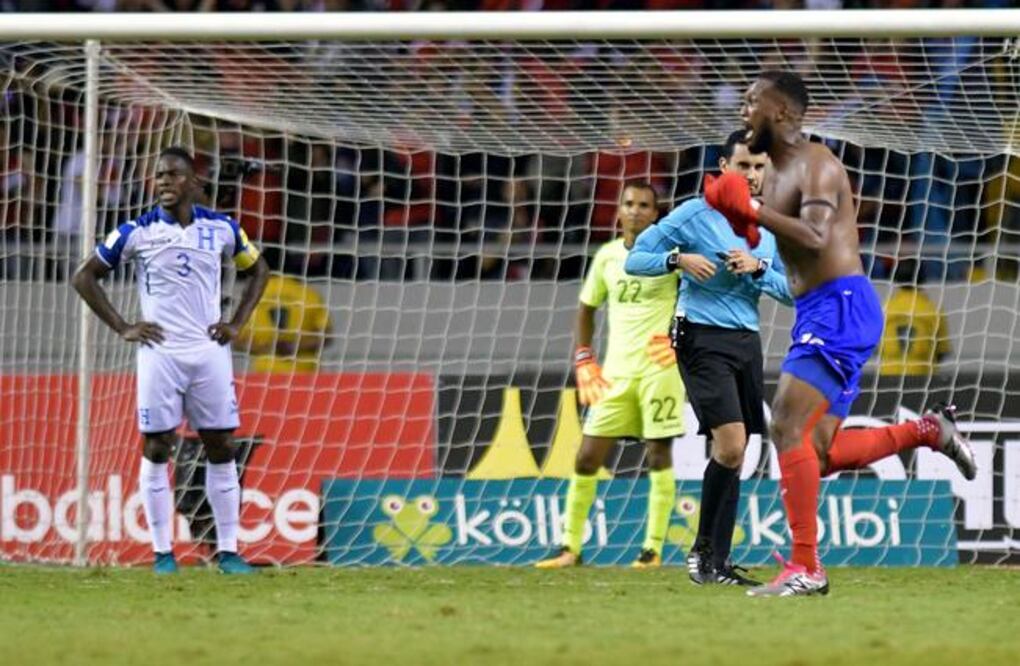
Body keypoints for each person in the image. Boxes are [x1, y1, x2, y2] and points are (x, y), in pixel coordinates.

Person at [706, 70, 976, 597]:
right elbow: (782, 238)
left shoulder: (817, 164)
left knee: (784, 424)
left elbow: (815, 234)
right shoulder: (778, 172)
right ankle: (929, 432)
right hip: (821, 310)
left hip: (842, 307)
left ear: (781, 112)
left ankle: (807, 566)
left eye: (752, 101)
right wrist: (745, 219)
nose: (744, 111)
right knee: (820, 452)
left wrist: (751, 210)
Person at [71, 146, 270, 575]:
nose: (164, 182)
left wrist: (236, 323)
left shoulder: (222, 229)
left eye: (173, 175)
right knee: (158, 445)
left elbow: (260, 270)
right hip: (160, 354)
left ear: (194, 182)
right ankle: (163, 554)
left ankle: (229, 552)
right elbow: (83, 276)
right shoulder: (136, 231)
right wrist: (124, 325)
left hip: (209, 352)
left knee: (223, 446)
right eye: (159, 175)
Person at [625, 130, 792, 587]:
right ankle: (704, 555)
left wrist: (757, 269)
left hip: (745, 339)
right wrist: (678, 259)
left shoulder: (770, 223)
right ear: (723, 167)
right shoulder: (696, 213)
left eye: (760, 167)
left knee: (733, 453)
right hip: (700, 336)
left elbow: (793, 291)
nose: (753, 175)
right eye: (744, 166)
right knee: (733, 444)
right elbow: (635, 258)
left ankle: (714, 561)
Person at [534, 182, 687, 569]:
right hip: (614, 374)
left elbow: (696, 302)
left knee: (658, 454)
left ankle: (652, 550)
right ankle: (570, 547)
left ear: (656, 214)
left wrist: (679, 341)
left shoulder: (672, 258)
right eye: (629, 204)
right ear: (619, 210)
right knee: (587, 458)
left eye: (644, 205)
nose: (635, 211)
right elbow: (586, 309)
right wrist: (584, 358)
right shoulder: (606, 257)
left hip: (660, 370)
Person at [237, 273, 332, 373]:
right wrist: (295, 346)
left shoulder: (255, 294)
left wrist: (269, 348)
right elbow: (326, 335)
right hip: (305, 373)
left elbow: (238, 341)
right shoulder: (308, 293)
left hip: (265, 374)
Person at [879, 259, 951, 376]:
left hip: (888, 377)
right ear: (922, 277)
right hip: (923, 378)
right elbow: (942, 351)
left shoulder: (885, 308)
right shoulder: (933, 309)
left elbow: (874, 347)